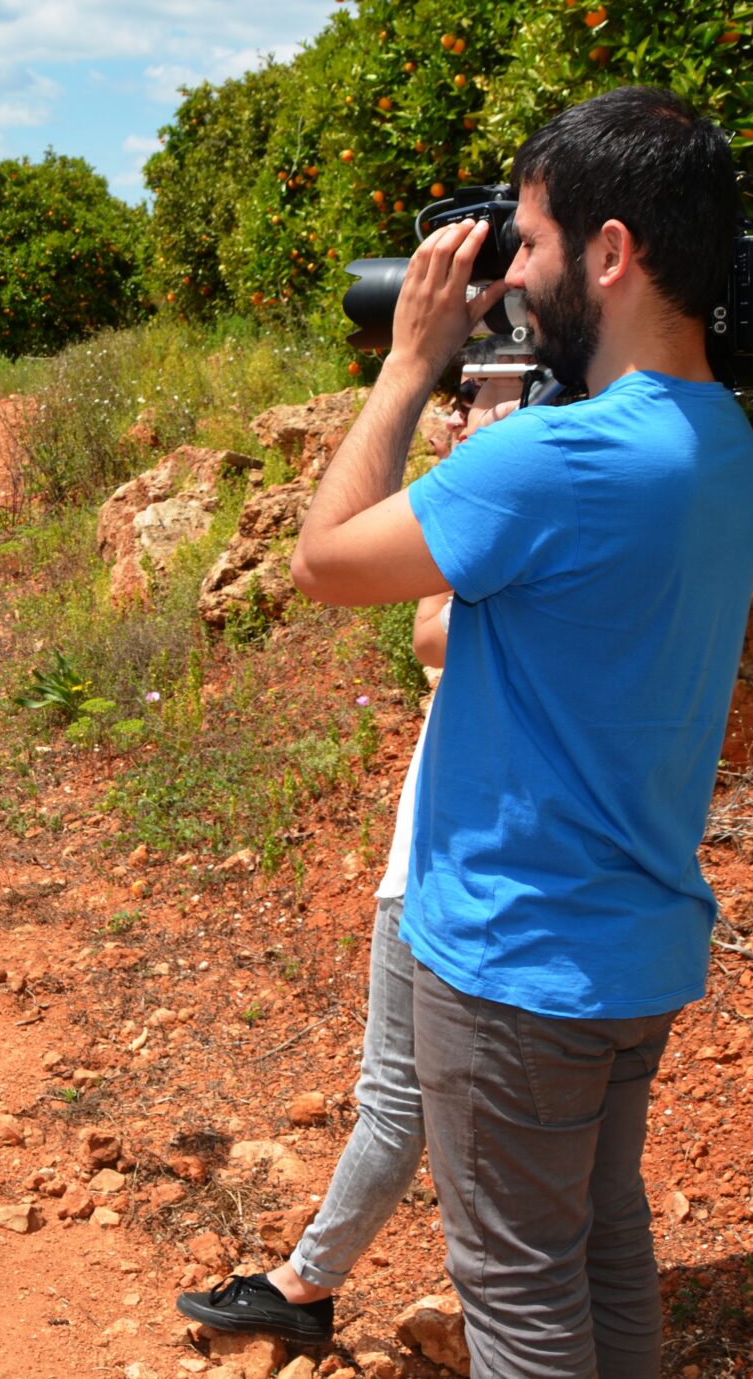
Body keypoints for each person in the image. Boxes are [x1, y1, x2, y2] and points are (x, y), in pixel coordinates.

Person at [285, 86, 753, 1378]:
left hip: (512, 956)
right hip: (632, 945)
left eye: (536, 239)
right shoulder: (725, 445)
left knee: (515, 1294)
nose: (518, 267)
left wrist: (407, 363)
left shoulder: (552, 464)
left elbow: (325, 557)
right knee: (604, 1240)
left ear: (612, 253)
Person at [177, 374, 522, 1350]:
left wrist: (474, 489)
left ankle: (309, 1283)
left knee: (407, 1098)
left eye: (477, 398)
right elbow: (431, 640)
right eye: (451, 398)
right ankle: (308, 1281)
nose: (452, 419)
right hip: (434, 855)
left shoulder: (527, 523)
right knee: (405, 1098)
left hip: (441, 870)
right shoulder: (516, 527)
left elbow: (428, 627)